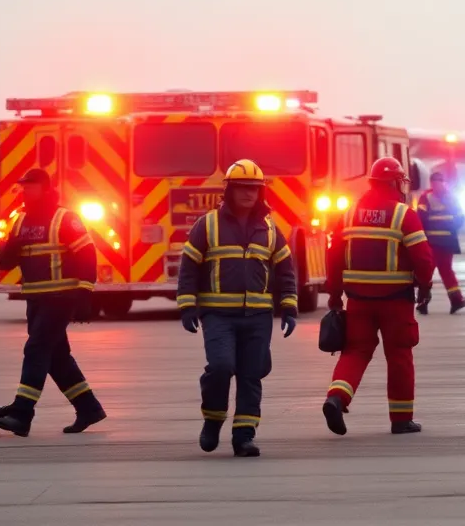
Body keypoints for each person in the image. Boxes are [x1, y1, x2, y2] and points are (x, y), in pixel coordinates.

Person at [178, 158, 298, 457]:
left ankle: (244, 436)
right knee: (220, 368)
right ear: (229, 190)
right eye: (242, 188)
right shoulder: (207, 225)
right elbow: (189, 268)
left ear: (261, 193)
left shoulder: (270, 229)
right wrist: (187, 305)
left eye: (254, 189)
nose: (248, 194)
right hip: (218, 315)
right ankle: (213, 418)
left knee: (251, 374)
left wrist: (289, 306)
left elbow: (285, 270)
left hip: (258, 316)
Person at [0, 168, 106, 437]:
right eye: (22, 187)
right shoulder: (18, 220)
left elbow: (87, 255)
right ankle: (88, 408)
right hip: (36, 300)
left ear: (44, 188)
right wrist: (10, 248)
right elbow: (2, 263)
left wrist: (85, 294)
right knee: (56, 357)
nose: (24, 191)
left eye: (29, 186)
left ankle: (22, 413)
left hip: (60, 299)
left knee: (36, 349)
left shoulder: (65, 218)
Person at [322, 156, 434, 436]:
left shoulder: (348, 214)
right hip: (396, 301)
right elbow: (423, 258)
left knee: (355, 352)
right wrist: (425, 286)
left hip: (358, 300)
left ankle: (337, 397)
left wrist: (335, 295)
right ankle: (400, 419)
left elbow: (333, 257)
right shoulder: (403, 215)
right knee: (399, 356)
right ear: (396, 183)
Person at [415, 172, 465, 314]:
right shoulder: (451, 197)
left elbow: (420, 218)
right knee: (443, 271)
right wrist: (450, 228)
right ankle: (454, 300)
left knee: (433, 272)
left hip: (435, 242)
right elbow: (460, 218)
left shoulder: (426, 197)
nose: (437, 184)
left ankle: (425, 302)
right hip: (443, 242)